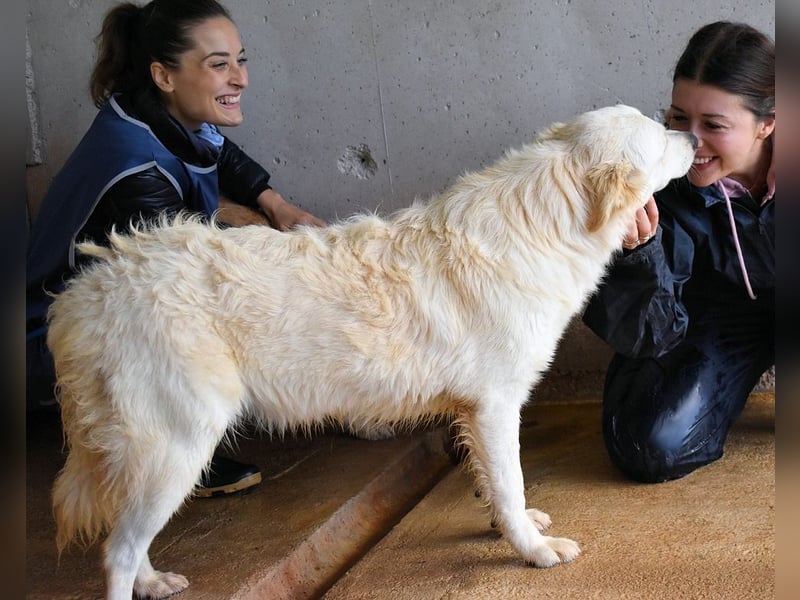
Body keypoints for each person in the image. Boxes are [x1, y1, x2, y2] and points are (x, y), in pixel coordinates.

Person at [26, 0, 326, 497]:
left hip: (98, 310)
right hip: (48, 344)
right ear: (164, 75)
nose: (240, 78)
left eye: (240, 60)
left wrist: (274, 204)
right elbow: (194, 275)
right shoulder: (135, 168)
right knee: (199, 305)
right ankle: (176, 450)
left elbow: (219, 152)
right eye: (219, 65)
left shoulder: (160, 110)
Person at [582, 21, 775, 483]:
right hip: (709, 322)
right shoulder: (652, 177)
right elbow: (649, 335)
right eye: (678, 118)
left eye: (713, 125)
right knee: (649, 444)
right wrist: (638, 254)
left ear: (768, 124)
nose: (689, 141)